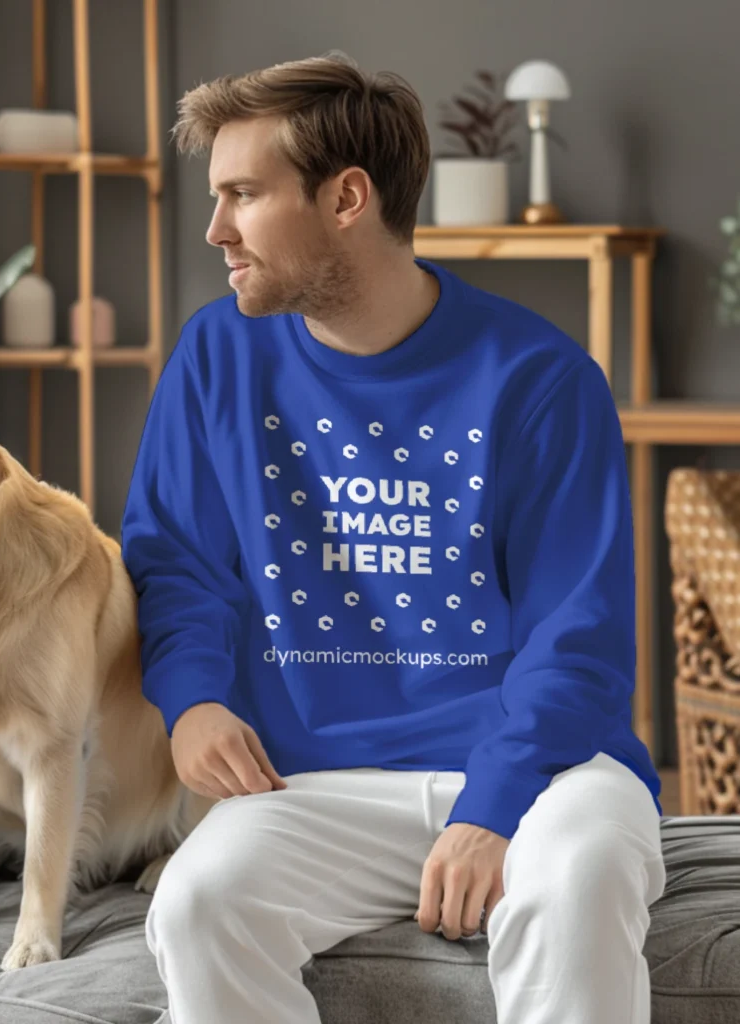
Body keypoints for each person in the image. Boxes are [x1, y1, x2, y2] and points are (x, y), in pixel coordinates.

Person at [119, 51, 665, 1024]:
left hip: (545, 768)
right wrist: (192, 699)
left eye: (242, 194)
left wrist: (488, 810)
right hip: (316, 778)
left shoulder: (538, 378)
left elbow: (573, 639)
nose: (215, 229)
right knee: (198, 902)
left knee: (574, 883)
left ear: (346, 198)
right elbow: (175, 559)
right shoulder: (215, 354)